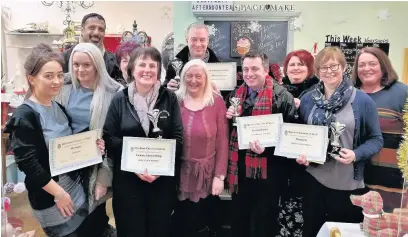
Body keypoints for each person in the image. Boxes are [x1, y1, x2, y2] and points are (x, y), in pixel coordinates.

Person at [4, 43, 104, 237]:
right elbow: (29, 164)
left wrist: (93, 147)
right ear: (31, 79)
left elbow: (67, 146)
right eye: (48, 76)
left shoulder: (58, 107)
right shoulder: (25, 116)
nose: (57, 81)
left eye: (59, 75)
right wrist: (59, 194)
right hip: (52, 197)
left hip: (74, 191)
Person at [296, 46, 383, 237]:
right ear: (317, 72)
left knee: (343, 233)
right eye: (323, 68)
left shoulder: (362, 100)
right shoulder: (308, 99)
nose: (329, 71)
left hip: (348, 183)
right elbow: (300, 134)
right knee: (311, 231)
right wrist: (300, 153)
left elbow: (376, 139)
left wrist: (356, 154)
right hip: (314, 179)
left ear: (343, 67)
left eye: (333, 66)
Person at [103, 47, 183, 237]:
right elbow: (109, 137)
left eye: (152, 65)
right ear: (132, 69)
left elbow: (178, 138)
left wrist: (158, 169)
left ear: (158, 71)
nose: (147, 70)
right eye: (142, 64)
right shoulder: (119, 100)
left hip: (161, 181)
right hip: (128, 182)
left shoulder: (169, 98)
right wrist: (136, 164)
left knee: (159, 230)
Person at [55, 42, 124, 237]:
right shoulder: (63, 87)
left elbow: (112, 138)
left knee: (93, 215)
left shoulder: (113, 93)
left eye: (87, 65)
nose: (80, 69)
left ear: (97, 65)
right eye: (76, 64)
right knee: (70, 218)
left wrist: (104, 178)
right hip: (67, 165)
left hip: (96, 165)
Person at [225, 51, 297, 237]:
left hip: (269, 173)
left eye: (255, 69)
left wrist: (267, 150)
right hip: (240, 172)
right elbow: (229, 132)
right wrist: (227, 118)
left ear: (266, 70)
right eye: (246, 69)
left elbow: (290, 139)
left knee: (263, 224)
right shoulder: (235, 95)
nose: (249, 74)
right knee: (238, 220)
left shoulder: (282, 97)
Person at [170, 59, 229, 237]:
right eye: (189, 76)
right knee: (180, 221)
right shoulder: (174, 100)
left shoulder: (216, 102)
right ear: (182, 78)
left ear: (206, 78)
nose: (193, 80)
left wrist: (219, 176)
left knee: (202, 222)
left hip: (206, 175)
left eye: (198, 76)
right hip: (178, 174)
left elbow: (223, 141)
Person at [352, 47, 408, 212]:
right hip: (353, 175)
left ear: (383, 66)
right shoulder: (350, 92)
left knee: (383, 225)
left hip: (389, 178)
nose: (366, 68)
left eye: (372, 64)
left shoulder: (401, 93)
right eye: (361, 65)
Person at [277, 49, 319, 237]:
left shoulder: (318, 92)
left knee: (307, 215)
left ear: (310, 68)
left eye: (300, 64)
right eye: (291, 65)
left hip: (308, 165)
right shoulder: (279, 91)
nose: (295, 68)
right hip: (282, 164)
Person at [164, 23, 227, 97]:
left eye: (202, 40)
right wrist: (168, 91)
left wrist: (220, 96)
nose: (198, 44)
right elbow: (165, 93)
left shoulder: (221, 67)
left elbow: (227, 97)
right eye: (194, 39)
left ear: (207, 41)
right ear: (187, 40)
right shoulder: (174, 66)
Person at [62, 13, 120, 81]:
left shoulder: (114, 60)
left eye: (101, 29)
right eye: (92, 28)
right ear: (82, 30)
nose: (96, 33)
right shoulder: (64, 58)